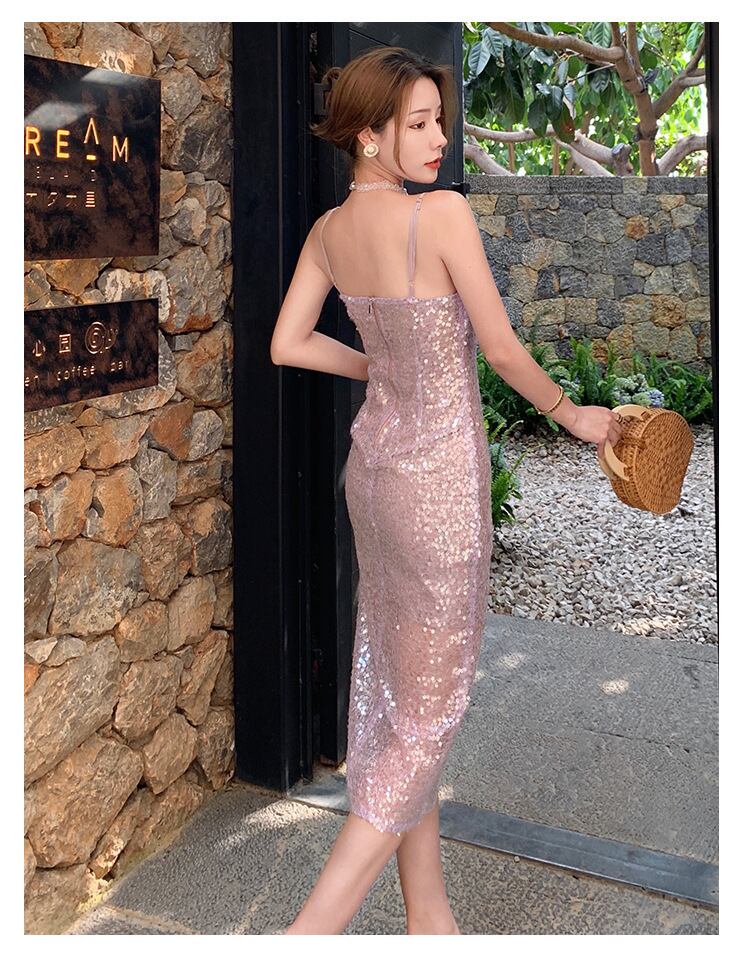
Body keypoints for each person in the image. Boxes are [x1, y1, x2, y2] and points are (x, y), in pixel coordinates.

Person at [269, 46, 623, 936]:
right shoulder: (444, 215)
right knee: (427, 715)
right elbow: (499, 351)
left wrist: (380, 368)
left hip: (375, 481)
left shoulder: (327, 233)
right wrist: (573, 416)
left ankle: (430, 915)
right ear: (367, 134)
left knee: (400, 695)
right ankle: (307, 933)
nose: (440, 140)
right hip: (437, 492)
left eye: (440, 122)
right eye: (420, 124)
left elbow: (288, 343)